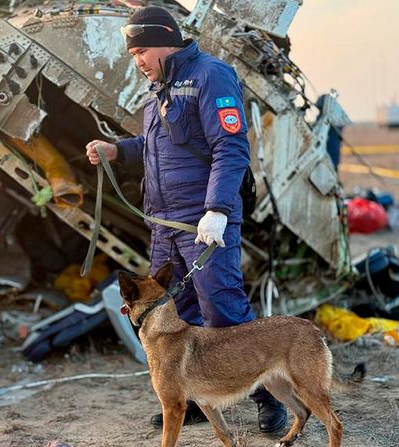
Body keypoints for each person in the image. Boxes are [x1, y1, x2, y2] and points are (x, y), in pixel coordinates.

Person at [85, 6, 287, 434]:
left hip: (202, 221)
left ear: (165, 40)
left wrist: (217, 209)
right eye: (133, 54)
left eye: (141, 51)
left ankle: (268, 398)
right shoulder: (157, 89)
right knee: (180, 315)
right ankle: (190, 399)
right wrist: (118, 150)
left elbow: (230, 147)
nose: (137, 61)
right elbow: (157, 147)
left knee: (223, 309)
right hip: (165, 225)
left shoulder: (211, 76)